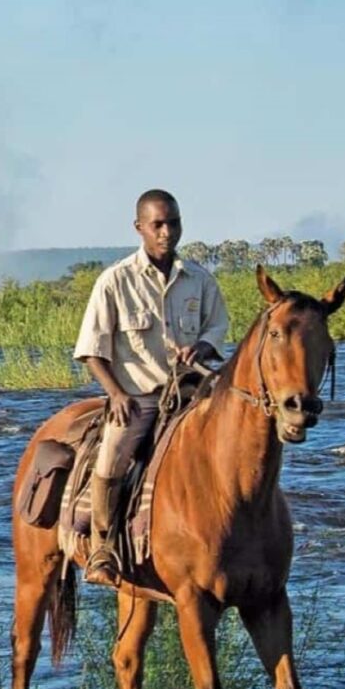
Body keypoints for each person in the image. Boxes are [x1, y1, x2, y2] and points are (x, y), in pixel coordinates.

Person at [73, 189, 229, 586]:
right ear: (139, 227)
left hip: (192, 390)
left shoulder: (200, 279)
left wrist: (204, 346)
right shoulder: (115, 280)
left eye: (173, 223)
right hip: (139, 397)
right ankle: (103, 548)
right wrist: (116, 394)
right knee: (111, 457)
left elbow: (217, 327)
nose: (166, 232)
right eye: (157, 224)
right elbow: (92, 349)